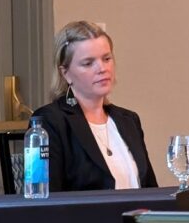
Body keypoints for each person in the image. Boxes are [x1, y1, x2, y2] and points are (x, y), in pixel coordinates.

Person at [32, 20, 157, 191]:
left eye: (106, 59)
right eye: (88, 63)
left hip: (134, 217)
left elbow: (151, 190)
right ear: (65, 73)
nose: (102, 68)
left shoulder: (129, 120)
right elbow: (43, 197)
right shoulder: (48, 121)